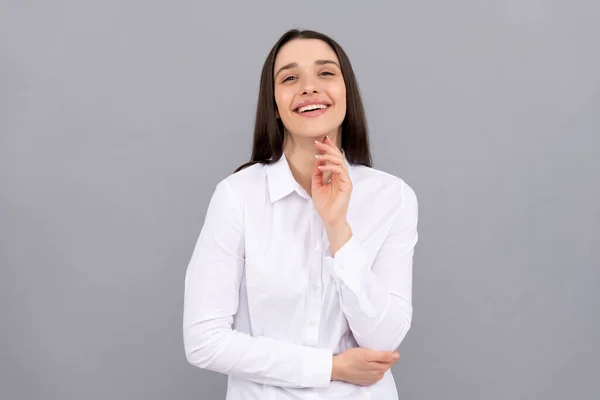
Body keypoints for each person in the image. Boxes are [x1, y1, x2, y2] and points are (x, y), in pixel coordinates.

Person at [183, 28, 419, 400]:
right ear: (274, 104)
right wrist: (331, 368)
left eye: (326, 73)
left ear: (346, 93)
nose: (309, 87)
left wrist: (338, 227)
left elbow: (383, 340)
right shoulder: (238, 196)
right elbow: (203, 341)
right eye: (290, 78)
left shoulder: (392, 197)